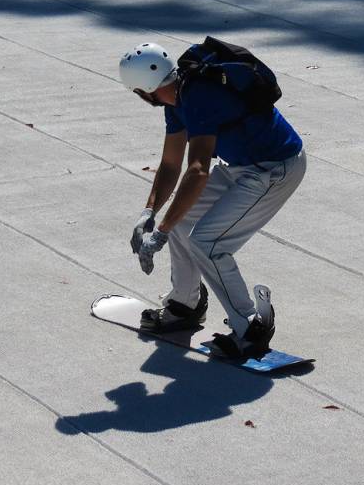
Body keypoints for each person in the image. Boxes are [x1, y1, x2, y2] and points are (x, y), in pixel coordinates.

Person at [119, 41, 306, 359]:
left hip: (274, 169)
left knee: (208, 244)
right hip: (243, 167)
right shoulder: (177, 97)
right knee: (182, 224)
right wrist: (149, 212)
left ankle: (250, 327)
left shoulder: (199, 97)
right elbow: (170, 164)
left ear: (143, 89)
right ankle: (185, 304)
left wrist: (161, 231)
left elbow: (198, 169)